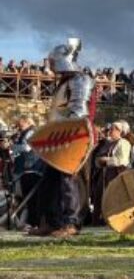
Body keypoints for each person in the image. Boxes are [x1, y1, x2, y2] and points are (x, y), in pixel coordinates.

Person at [26, 38, 94, 238]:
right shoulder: (64, 83)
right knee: (49, 182)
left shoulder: (80, 80)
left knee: (69, 182)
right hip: (59, 139)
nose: (52, 66)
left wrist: (61, 131)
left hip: (74, 138)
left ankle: (71, 223)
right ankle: (51, 222)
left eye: (54, 62)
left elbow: (78, 112)